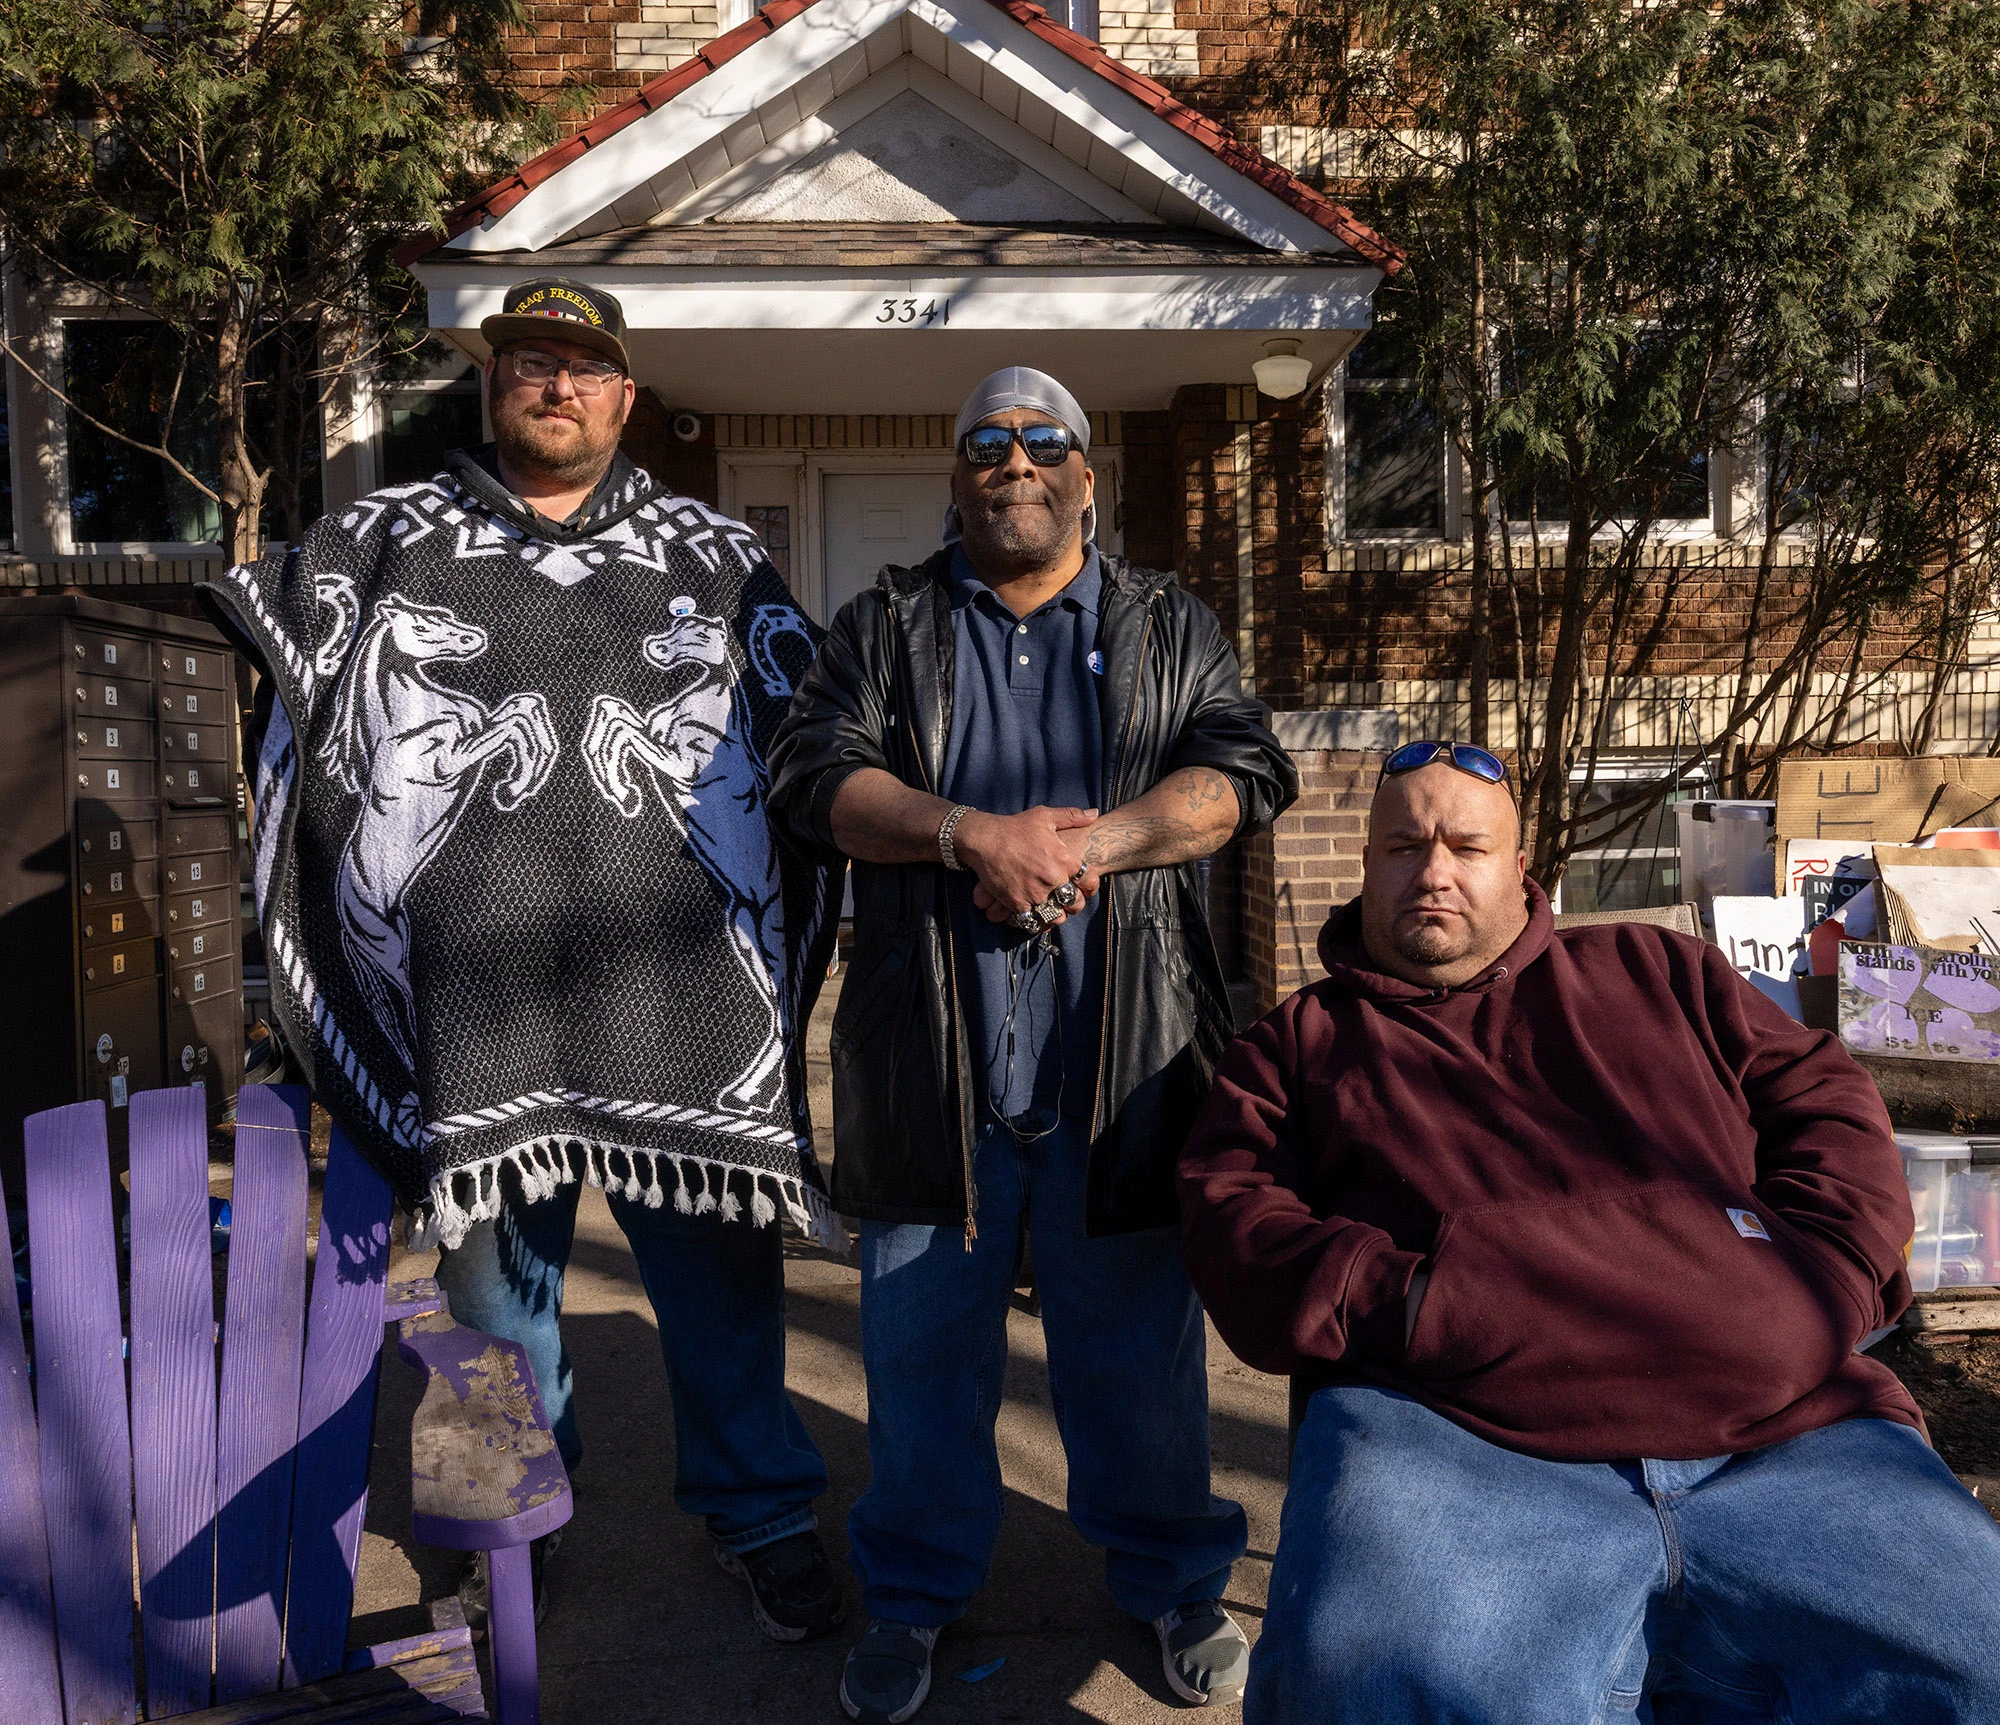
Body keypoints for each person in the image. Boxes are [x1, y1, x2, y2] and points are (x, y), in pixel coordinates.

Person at [201, 276, 848, 1644]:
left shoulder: (713, 554)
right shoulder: (383, 540)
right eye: (529, 362)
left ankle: (762, 1516)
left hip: (678, 988)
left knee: (724, 1285)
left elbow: (809, 744)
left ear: (627, 395)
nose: (556, 386)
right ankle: (494, 1533)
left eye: (584, 367)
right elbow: (300, 697)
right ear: (491, 384)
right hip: (476, 997)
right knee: (489, 1302)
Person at [1177, 739, 2000, 1722]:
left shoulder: (1657, 970)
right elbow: (1232, 1211)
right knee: (1369, 1696)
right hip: (1452, 1438)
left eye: (1463, 847)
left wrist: (1818, 1278)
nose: (1431, 872)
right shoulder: (1295, 1044)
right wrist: (1421, 1301)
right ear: (1365, 865)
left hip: (1788, 1426)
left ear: (1517, 864)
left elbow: (1825, 1099)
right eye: (1401, 848)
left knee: (1975, 1664)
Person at [769, 366, 1297, 1723]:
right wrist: (970, 836)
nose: (1013, 463)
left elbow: (1243, 770)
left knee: (1137, 1364)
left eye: (1040, 441)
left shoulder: (1168, 622)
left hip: (1121, 1073)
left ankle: (1175, 1579)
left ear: (1084, 476)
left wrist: (1100, 841)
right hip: (928, 1075)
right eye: (986, 445)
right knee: (921, 1360)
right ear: (958, 478)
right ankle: (911, 1597)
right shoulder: (883, 625)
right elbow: (813, 774)